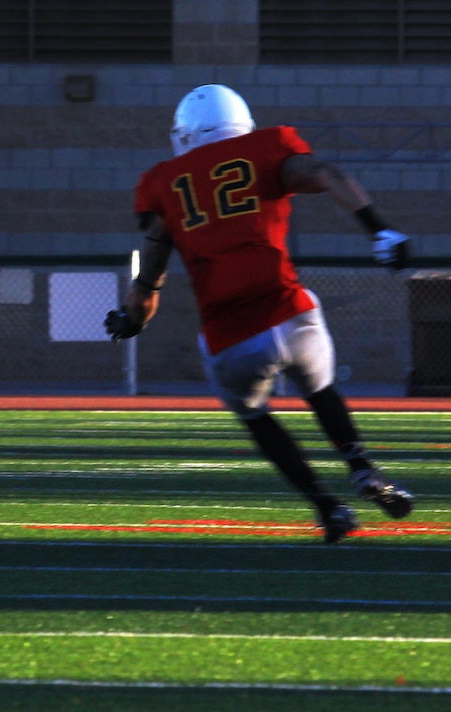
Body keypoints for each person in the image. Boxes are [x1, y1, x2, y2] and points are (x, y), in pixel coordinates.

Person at [103, 84, 414, 544]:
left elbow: (149, 279)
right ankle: (360, 466)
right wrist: (379, 230)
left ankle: (327, 507)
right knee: (320, 384)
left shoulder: (165, 183)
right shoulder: (268, 148)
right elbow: (327, 174)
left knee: (255, 415)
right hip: (291, 312)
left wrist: (132, 320)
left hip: (232, 337)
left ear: (186, 134)